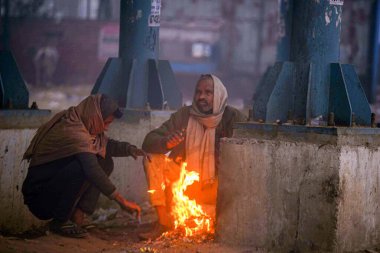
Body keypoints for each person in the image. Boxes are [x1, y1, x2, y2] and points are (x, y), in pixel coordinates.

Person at [22, 94, 148, 238]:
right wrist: (122, 201)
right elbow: (92, 169)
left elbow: (107, 145)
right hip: (40, 198)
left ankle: (78, 215)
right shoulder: (73, 130)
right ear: (96, 116)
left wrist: (129, 149)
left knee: (104, 160)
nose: (105, 129)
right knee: (85, 167)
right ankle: (60, 221)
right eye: (105, 123)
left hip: (53, 190)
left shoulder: (86, 127)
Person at [139, 74, 247, 240]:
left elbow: (247, 157)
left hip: (218, 189)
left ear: (218, 94)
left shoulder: (233, 118)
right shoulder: (184, 115)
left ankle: (222, 225)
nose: (201, 97)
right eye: (198, 92)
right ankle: (163, 223)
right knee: (152, 157)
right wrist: (167, 143)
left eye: (208, 92)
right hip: (185, 186)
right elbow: (149, 141)